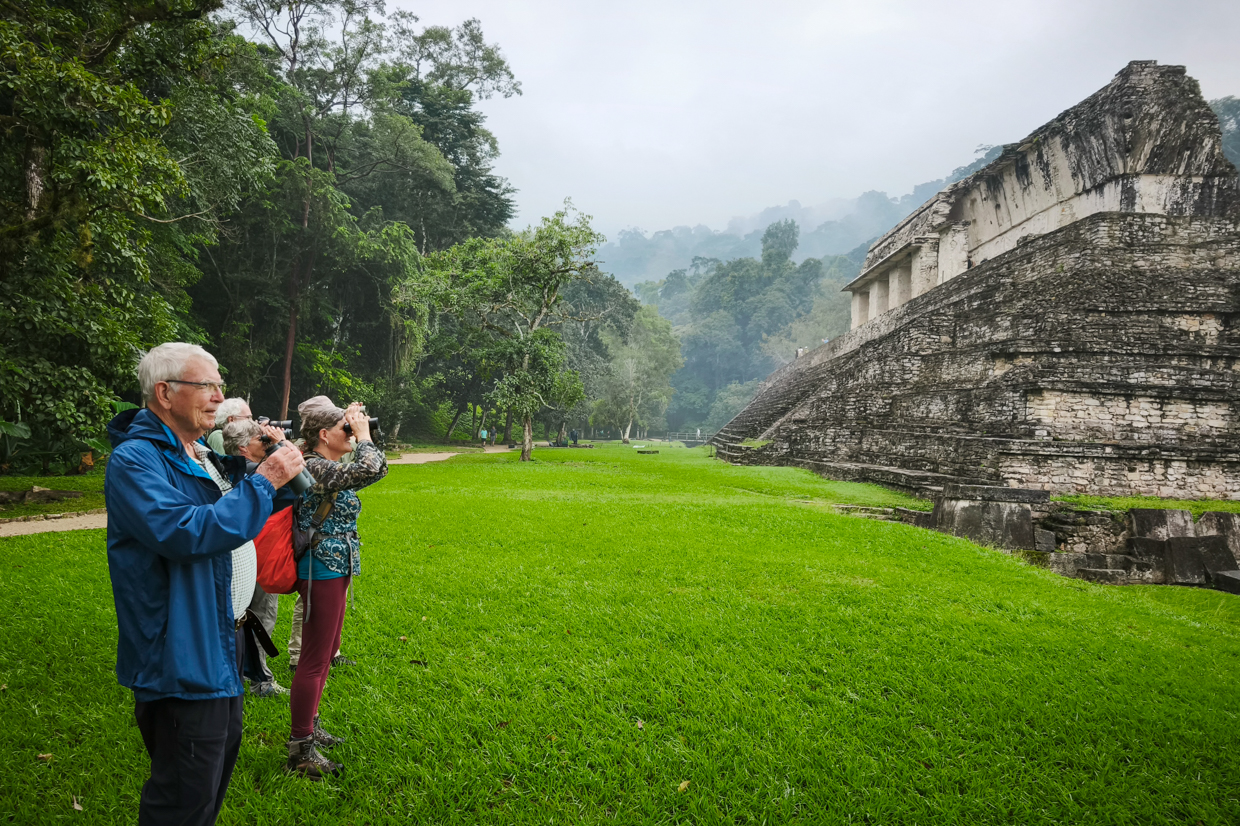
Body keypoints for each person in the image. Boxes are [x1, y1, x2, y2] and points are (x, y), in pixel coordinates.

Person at [105, 342, 306, 826]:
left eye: (221, 385)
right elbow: (188, 532)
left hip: (222, 642)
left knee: (210, 782)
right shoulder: (137, 461)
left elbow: (233, 515)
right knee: (183, 797)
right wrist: (264, 482)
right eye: (207, 386)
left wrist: (271, 472)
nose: (219, 396)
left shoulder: (197, 454)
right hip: (181, 653)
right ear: (165, 393)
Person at [285, 396, 388, 779]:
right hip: (321, 567)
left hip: (336, 563)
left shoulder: (326, 464)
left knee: (326, 653)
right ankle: (300, 749)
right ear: (323, 435)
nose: (352, 434)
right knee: (313, 659)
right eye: (343, 429)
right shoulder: (311, 466)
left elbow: (377, 469)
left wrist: (362, 433)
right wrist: (362, 437)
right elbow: (367, 466)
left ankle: (309, 726)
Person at [221, 419, 295, 698]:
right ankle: (259, 681)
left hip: (243, 555)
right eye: (259, 438)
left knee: (243, 618)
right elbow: (302, 483)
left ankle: (242, 677)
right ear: (243, 448)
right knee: (261, 615)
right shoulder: (254, 473)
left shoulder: (224, 468)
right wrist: (280, 444)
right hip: (254, 555)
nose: (264, 440)